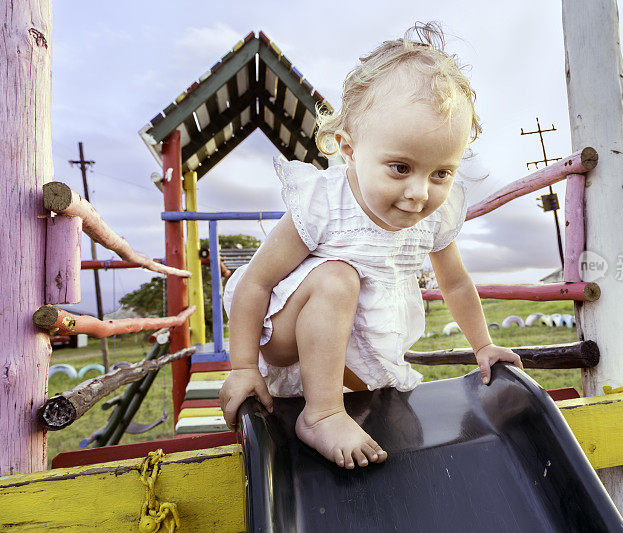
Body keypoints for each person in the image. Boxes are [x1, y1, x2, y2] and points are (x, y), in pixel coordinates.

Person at [219, 22, 523, 470]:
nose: (420, 192)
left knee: (388, 410)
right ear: (349, 148)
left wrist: (484, 347)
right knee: (339, 277)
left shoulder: (432, 215)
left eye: (441, 173)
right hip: (283, 330)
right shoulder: (325, 202)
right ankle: (321, 414)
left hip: (346, 342)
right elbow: (255, 282)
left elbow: (455, 283)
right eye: (401, 168)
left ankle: (336, 403)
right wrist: (243, 367)